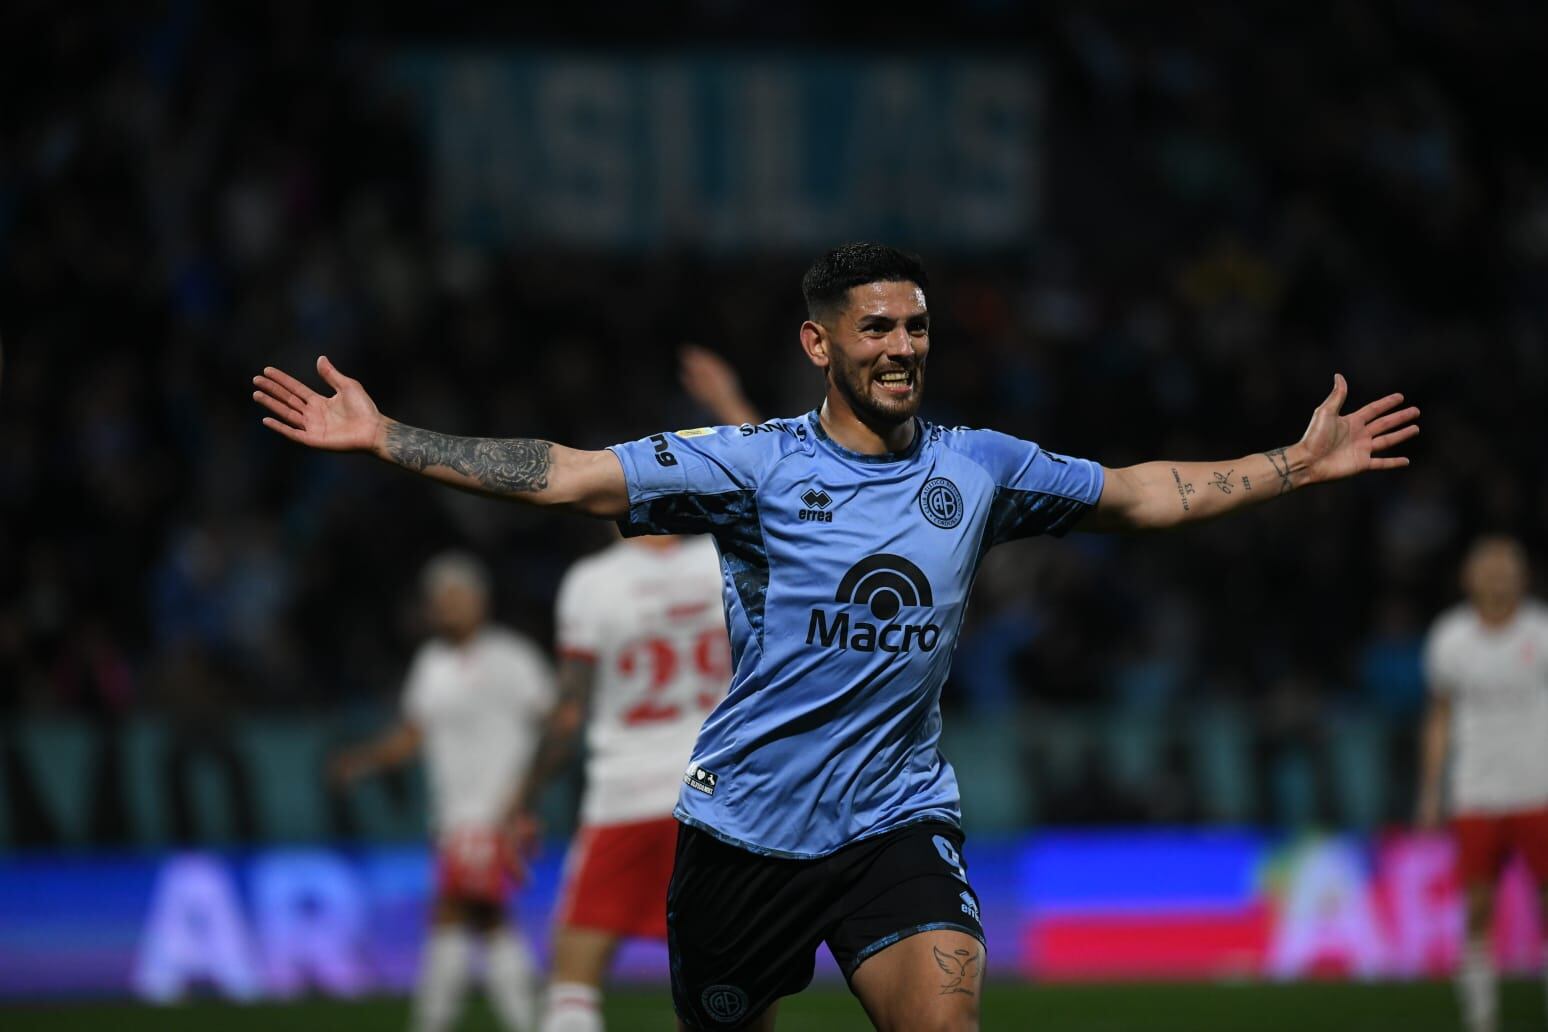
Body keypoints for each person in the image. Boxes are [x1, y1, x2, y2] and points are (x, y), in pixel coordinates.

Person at [257, 243, 1419, 1031]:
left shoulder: (978, 466)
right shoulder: (748, 467)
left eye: (916, 326)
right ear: (821, 345)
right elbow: (566, 476)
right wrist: (389, 436)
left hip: (895, 821)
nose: (903, 346)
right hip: (743, 835)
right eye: (875, 329)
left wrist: (1295, 465)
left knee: (945, 1018)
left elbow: (1142, 493)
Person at [509, 347, 758, 1032]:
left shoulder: (593, 584)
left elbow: (568, 713)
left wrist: (525, 800)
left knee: (572, 978)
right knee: (725, 988)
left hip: (626, 795)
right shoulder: (719, 558)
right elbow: (776, 485)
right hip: (721, 797)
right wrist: (728, 403)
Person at [331, 552, 554, 1032]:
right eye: (439, 598)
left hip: (494, 810)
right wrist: (363, 760)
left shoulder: (513, 657)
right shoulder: (431, 663)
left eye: (454, 595)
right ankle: (524, 1020)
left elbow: (553, 724)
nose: (445, 607)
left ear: (480, 599)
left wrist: (526, 795)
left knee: (459, 914)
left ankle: (443, 1021)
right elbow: (414, 734)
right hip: (453, 813)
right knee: (481, 917)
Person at [1417, 536, 1548, 1032]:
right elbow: (1440, 717)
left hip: (1539, 787)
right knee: (1477, 905)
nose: (1498, 574)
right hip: (1476, 791)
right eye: (1487, 566)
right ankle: (1481, 1015)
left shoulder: (1542, 631)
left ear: (1523, 575)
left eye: (1507, 565)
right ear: (1468, 578)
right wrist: (1430, 789)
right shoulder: (1450, 638)